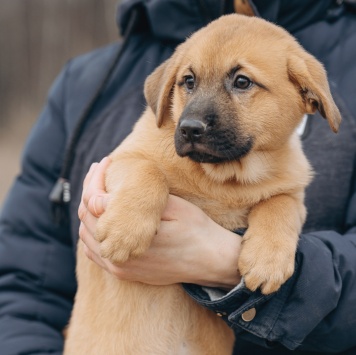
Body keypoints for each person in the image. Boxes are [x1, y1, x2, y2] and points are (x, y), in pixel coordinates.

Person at [0, 0, 355, 354]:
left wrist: (226, 261)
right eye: (188, 82)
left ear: (307, 95)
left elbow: (285, 198)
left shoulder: (324, 62)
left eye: (242, 82)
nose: (192, 120)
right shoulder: (87, 84)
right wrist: (140, 193)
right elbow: (22, 284)